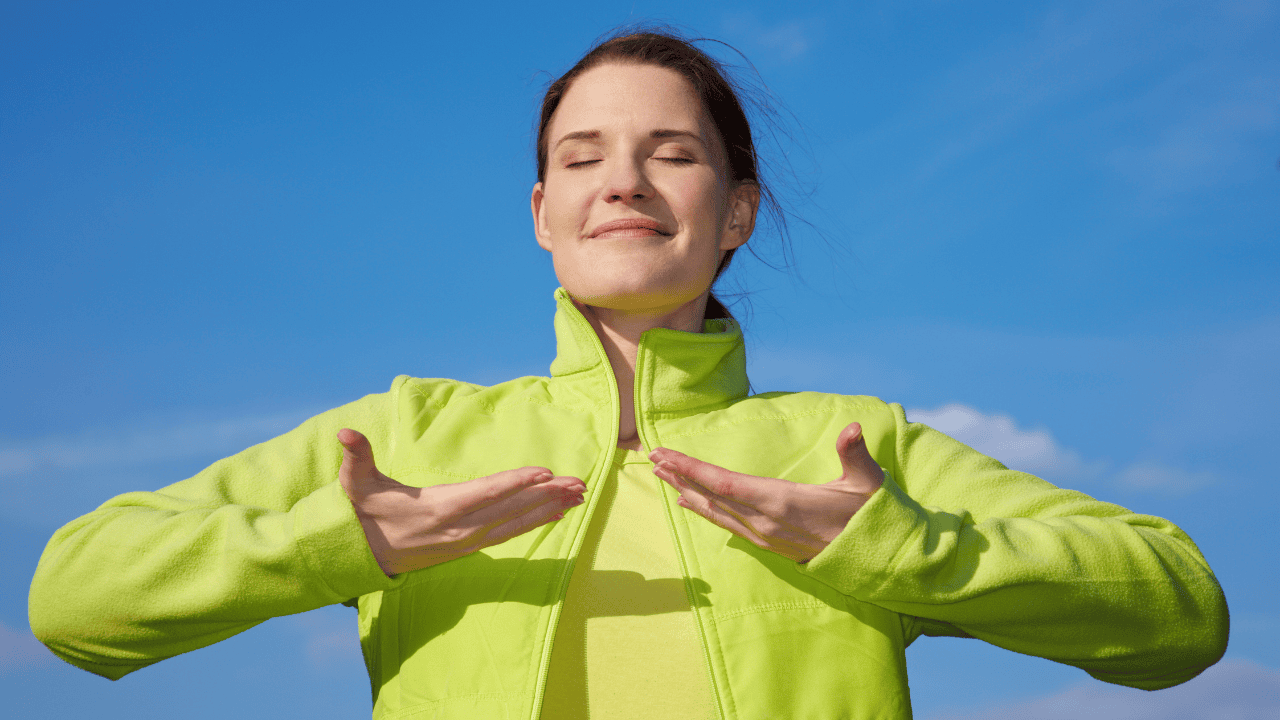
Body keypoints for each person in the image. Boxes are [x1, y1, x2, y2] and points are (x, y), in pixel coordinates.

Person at [29, 29, 1228, 720]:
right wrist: (343, 543)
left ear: (737, 211)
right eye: (581, 155)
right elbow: (75, 604)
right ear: (541, 210)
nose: (624, 182)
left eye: (672, 153)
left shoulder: (853, 453)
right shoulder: (400, 436)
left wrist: (897, 547)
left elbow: (1179, 614)